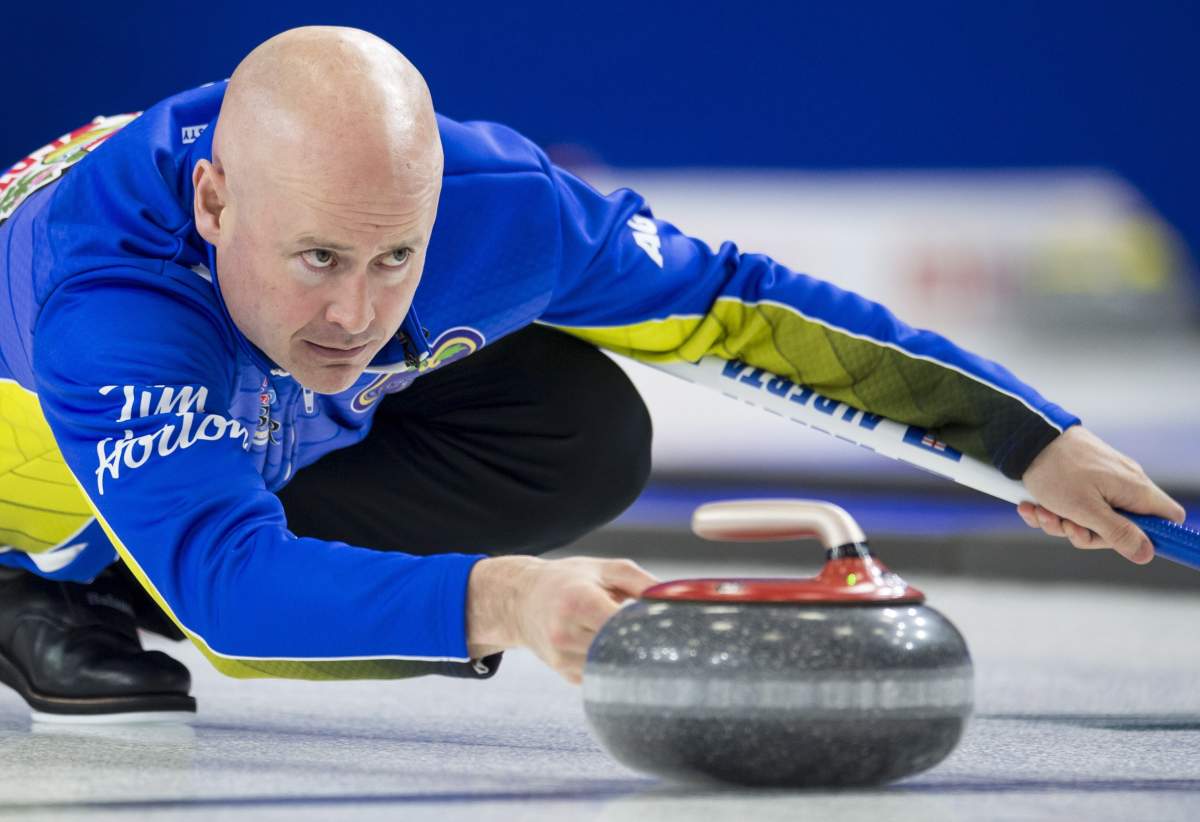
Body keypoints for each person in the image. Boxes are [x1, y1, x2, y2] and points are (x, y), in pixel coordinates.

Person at [0, 26, 1184, 721]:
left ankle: (137, 559)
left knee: (579, 423)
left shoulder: (503, 209)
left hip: (243, 410)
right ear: (214, 204)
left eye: (396, 256)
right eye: (318, 258)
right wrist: (505, 597)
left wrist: (1026, 439)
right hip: (43, 460)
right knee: (179, 538)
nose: (356, 313)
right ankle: (47, 583)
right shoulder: (112, 299)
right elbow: (228, 591)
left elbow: (742, 311)